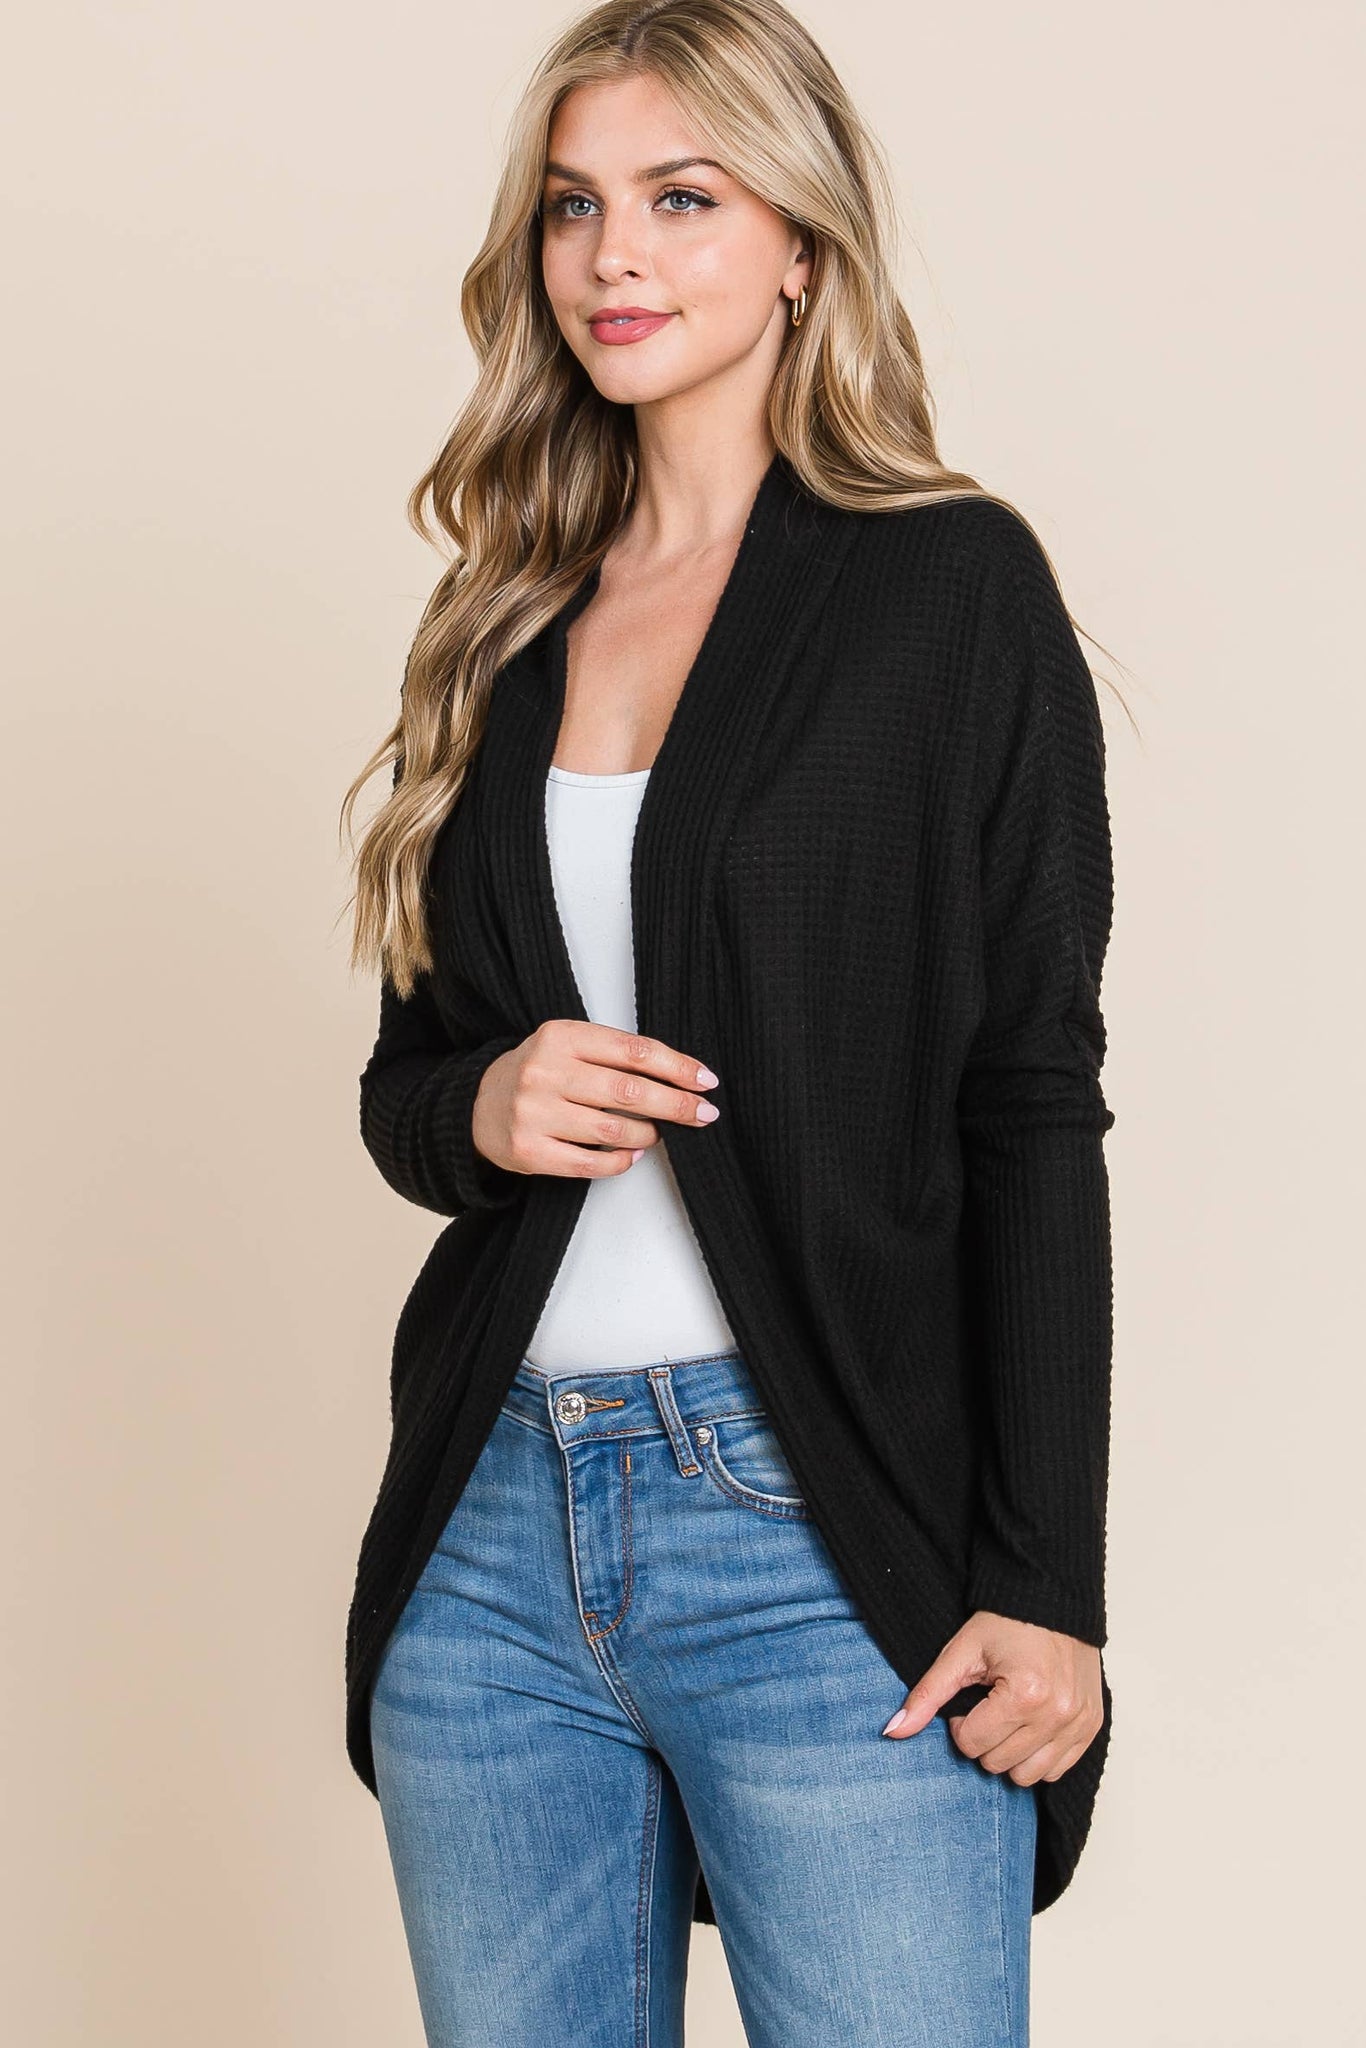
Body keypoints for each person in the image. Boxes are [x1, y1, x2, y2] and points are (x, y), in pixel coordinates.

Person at [339, 4, 1130, 2043]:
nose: (613, 254)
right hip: (491, 1535)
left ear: (799, 241)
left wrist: (1045, 1581)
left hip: (811, 1533)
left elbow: (1029, 1101)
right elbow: (405, 1093)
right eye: (572, 206)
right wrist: (487, 1104)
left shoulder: (943, 589)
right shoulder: (502, 616)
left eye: (681, 198)